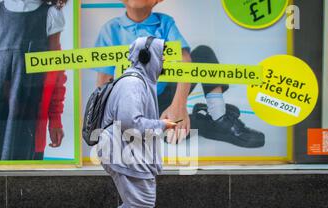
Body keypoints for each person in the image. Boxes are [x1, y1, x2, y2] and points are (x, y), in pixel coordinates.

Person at [93, 0, 265, 147]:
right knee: (170, 136)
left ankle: (218, 116)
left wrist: (178, 106)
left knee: (203, 53)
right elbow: (104, 80)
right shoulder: (110, 29)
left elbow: (185, 61)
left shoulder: (165, 23)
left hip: (164, 97)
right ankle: (200, 121)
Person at [80, 37, 177, 208]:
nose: (164, 59)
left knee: (137, 204)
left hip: (127, 153)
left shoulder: (139, 81)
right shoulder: (133, 84)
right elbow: (130, 123)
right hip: (125, 154)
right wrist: (162, 124)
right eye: (161, 54)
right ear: (147, 57)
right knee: (141, 207)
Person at [0, 0, 68, 161]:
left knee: (23, 166)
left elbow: (55, 72)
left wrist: (55, 119)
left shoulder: (51, 13)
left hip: (28, 106)